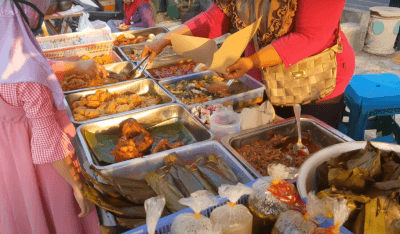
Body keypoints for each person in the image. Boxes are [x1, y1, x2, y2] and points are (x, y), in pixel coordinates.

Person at [142, 0, 356, 129]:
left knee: (302, 152)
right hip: (260, 79)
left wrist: (252, 60)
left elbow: (311, 36)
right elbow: (215, 17)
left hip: (312, 82)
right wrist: (167, 39)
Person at [0, 0, 105, 233]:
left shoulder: (7, 51)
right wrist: (77, 185)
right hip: (45, 167)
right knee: (61, 216)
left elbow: (21, 67)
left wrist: (75, 67)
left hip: (8, 156)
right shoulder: (30, 76)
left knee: (25, 214)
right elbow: (48, 143)